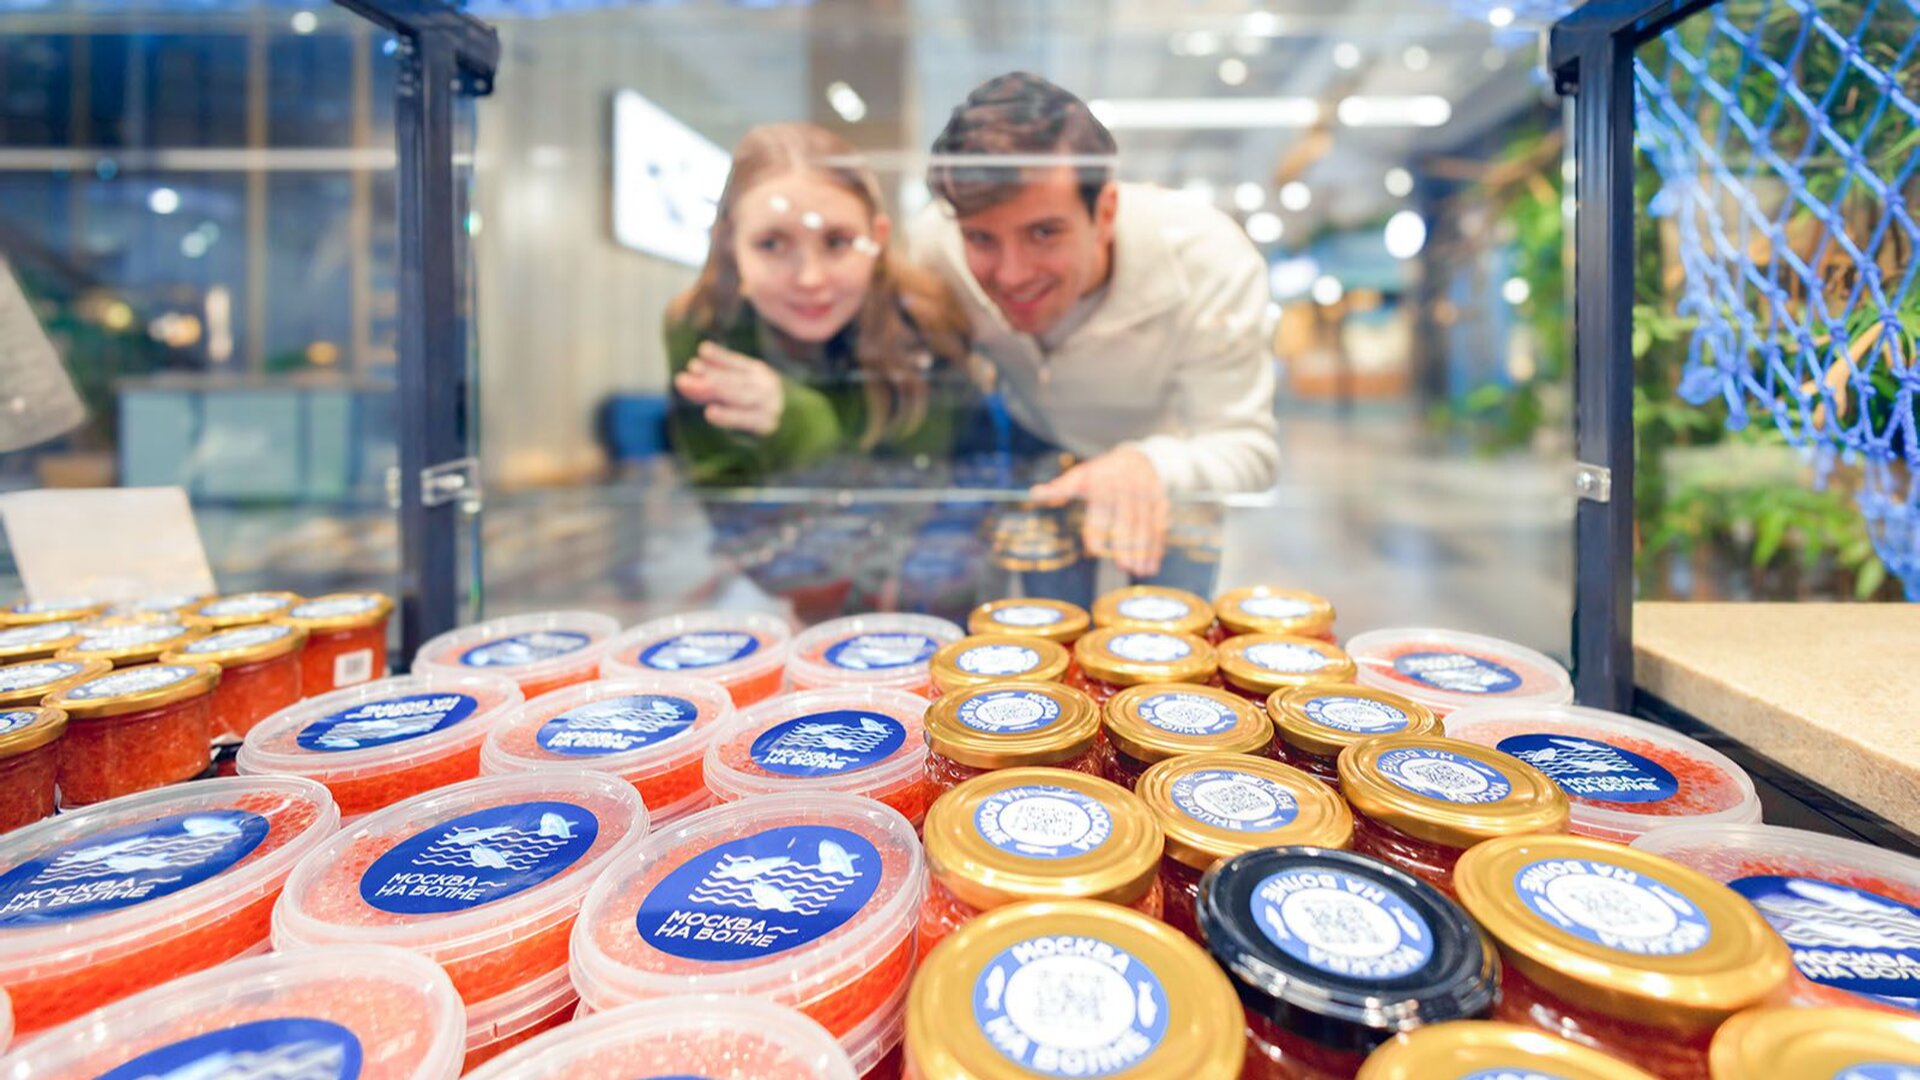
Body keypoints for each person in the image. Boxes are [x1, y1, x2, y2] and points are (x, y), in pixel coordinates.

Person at [911, 73, 1279, 597]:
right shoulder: (935, 247)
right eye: (982, 238)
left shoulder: (1210, 261)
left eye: (1044, 232)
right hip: (1034, 450)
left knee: (1170, 626)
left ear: (1104, 214)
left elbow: (1248, 450)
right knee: (1044, 625)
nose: (1011, 275)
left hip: (1170, 465)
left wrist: (1150, 463)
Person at [664, 123, 978, 486]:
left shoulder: (926, 320)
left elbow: (913, 489)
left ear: (878, 239)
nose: (810, 279)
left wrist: (798, 418)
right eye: (771, 244)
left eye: (837, 242)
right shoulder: (701, 323)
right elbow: (720, 488)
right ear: (730, 248)